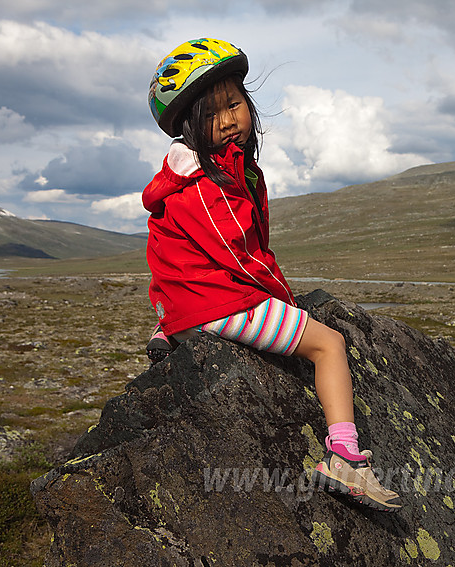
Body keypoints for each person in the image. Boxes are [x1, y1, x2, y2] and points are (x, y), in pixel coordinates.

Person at [142, 38, 401, 512]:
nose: (228, 120)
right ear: (188, 128)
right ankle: (345, 456)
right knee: (329, 345)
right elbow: (239, 255)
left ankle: (172, 330)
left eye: (234, 104)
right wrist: (285, 300)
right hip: (218, 301)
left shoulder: (217, 171)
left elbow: (169, 255)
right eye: (212, 115)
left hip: (190, 301)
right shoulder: (202, 184)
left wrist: (168, 315)